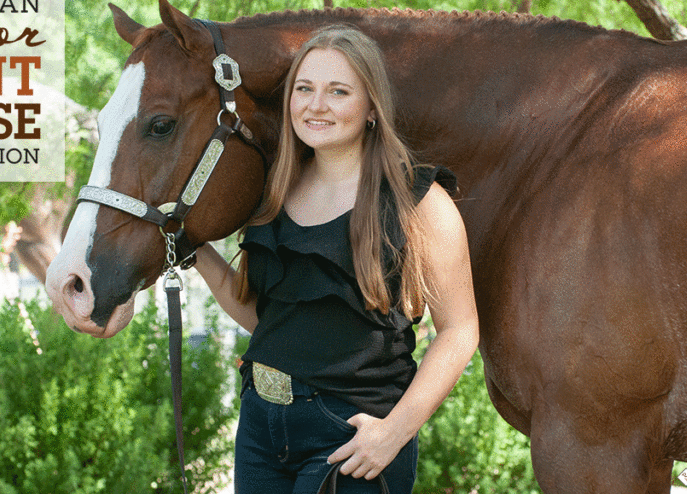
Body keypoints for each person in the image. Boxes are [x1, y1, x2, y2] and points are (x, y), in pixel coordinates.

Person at [194, 25, 479, 493]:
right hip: (260, 430)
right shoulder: (273, 194)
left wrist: (395, 431)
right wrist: (197, 254)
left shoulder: (417, 202)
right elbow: (266, 319)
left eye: (338, 91)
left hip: (351, 434)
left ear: (371, 108)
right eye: (304, 89)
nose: (316, 105)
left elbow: (460, 330)